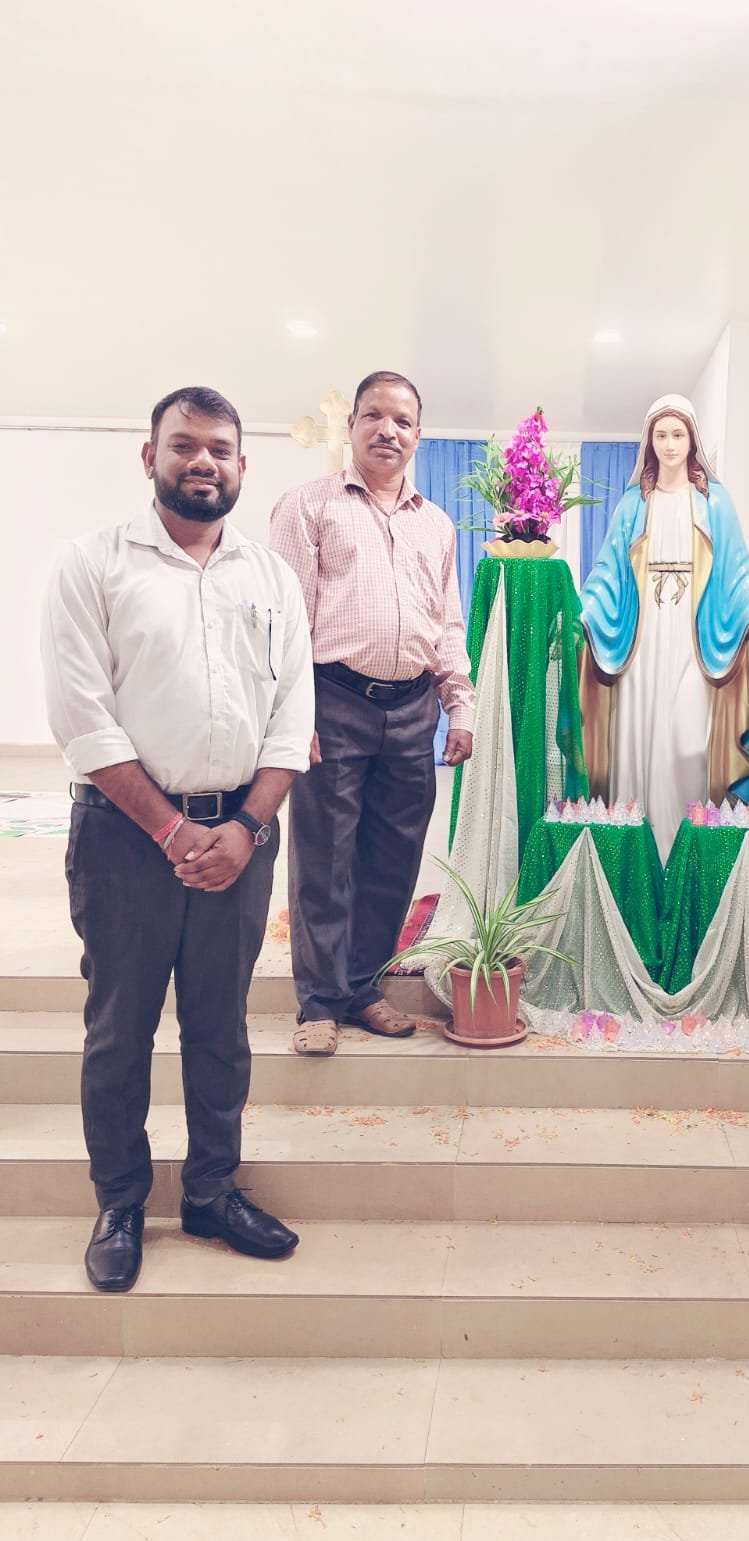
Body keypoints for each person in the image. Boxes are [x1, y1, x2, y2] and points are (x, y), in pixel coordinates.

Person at [41, 386, 314, 1293]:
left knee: (219, 1026)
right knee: (120, 1028)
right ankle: (120, 1201)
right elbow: (81, 717)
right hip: (124, 838)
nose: (203, 462)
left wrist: (246, 826)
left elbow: (293, 718)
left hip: (242, 834)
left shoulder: (271, 577)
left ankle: (211, 1192)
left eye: (220, 449)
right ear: (149, 455)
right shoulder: (93, 564)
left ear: (242, 465)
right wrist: (169, 829)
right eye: (185, 445)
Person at [271, 370, 474, 1057]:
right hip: (333, 700)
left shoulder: (436, 524)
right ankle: (318, 1003)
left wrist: (459, 705)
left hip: (413, 707)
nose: (390, 430)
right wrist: (294, 716)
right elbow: (285, 624)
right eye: (376, 416)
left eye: (404, 421)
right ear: (353, 424)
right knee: (325, 859)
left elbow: (448, 623)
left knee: (394, 859)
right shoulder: (309, 506)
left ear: (418, 435)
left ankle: (362, 987)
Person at [580, 395, 749, 861]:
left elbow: (736, 568)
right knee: (636, 737)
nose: (669, 445)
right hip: (641, 638)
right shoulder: (633, 503)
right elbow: (607, 572)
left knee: (689, 742)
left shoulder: (713, 502)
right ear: (649, 441)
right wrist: (583, 617)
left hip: (694, 637)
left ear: (692, 440)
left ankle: (687, 854)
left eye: (678, 435)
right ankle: (638, 856)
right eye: (661, 435)